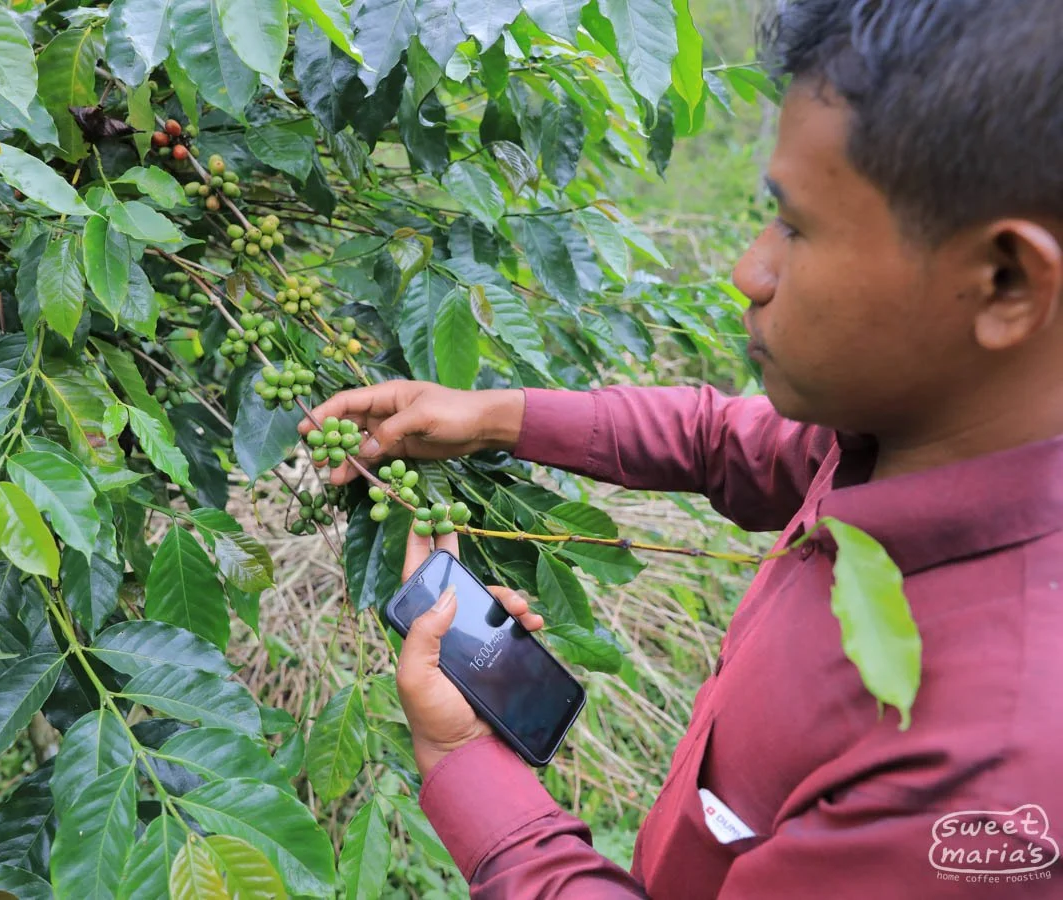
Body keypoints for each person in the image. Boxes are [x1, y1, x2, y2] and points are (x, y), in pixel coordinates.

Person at [302, 0, 1063, 895]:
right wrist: (489, 414)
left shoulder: (983, 776)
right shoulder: (915, 429)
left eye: (795, 225)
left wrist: (468, 762)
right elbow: (726, 441)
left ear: (1005, 281)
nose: (752, 270)